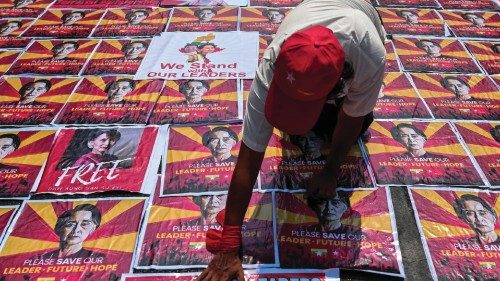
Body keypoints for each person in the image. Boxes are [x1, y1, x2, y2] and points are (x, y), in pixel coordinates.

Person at [196, 0, 386, 279]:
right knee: (299, 130)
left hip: (360, 12)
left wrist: (331, 171)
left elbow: (351, 118)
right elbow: (249, 158)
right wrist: (229, 242)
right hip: (315, 8)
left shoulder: (369, 56)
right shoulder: (274, 62)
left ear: (338, 85)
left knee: (346, 128)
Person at [35, 204, 105, 259]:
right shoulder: (40, 259)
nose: (76, 230)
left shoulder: (97, 259)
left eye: (84, 224)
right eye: (70, 224)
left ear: (92, 229)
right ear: (59, 228)